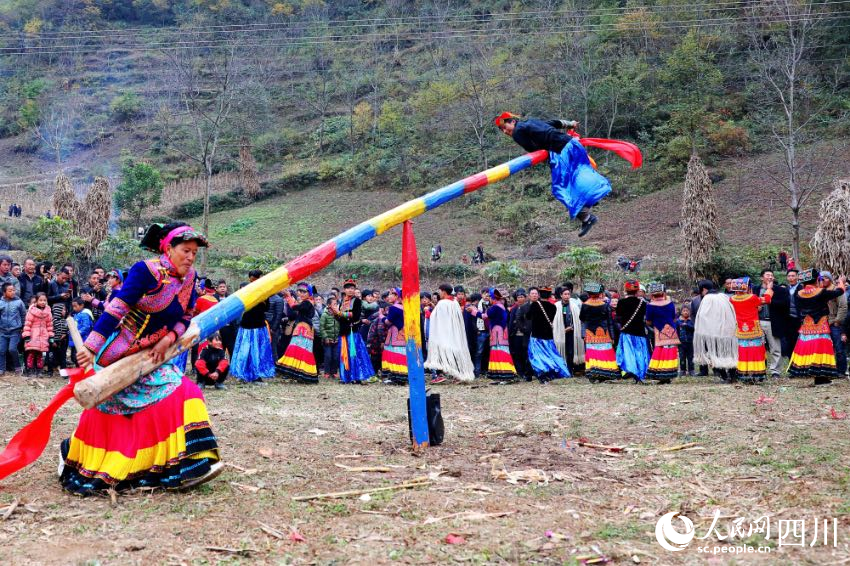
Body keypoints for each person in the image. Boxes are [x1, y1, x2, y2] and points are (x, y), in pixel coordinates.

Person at [64, 222, 221, 494]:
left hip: (154, 356)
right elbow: (117, 308)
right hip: (118, 356)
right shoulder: (145, 271)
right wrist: (90, 348)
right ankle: (75, 453)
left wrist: (169, 337)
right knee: (113, 416)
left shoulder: (190, 278)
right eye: (186, 250)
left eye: (195, 252)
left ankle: (188, 464)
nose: (190, 257)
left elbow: (186, 315)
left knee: (185, 392)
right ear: (168, 249)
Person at [495, 113, 612, 237]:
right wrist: (571, 124)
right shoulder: (532, 121)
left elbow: (533, 148)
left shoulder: (517, 132)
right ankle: (591, 199)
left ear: (513, 121)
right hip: (574, 145)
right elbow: (555, 122)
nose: (504, 131)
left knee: (560, 188)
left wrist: (544, 153)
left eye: (504, 126)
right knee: (577, 177)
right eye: (501, 130)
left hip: (563, 151)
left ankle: (587, 218)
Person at [788, 269, 847, 385]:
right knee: (820, 350)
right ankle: (821, 377)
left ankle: (808, 372)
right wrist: (841, 282)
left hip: (806, 327)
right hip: (820, 326)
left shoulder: (798, 293)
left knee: (808, 349)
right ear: (816, 280)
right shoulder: (821, 292)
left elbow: (798, 308)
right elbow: (839, 291)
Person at [424, 283, 474, 382]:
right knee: (454, 353)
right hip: (453, 333)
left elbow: (435, 317)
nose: (439, 293)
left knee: (440, 352)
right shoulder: (454, 302)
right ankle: (459, 375)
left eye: (439, 291)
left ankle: (439, 376)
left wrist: (427, 311)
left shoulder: (442, 303)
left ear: (443, 291)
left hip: (444, 333)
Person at [231, 271, 275, 384]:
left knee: (254, 351)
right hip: (249, 326)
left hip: (257, 325)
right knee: (247, 351)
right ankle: (246, 374)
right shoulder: (249, 291)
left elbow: (266, 308)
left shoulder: (263, 292)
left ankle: (254, 375)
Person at [729, 277, 773, 383]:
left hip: (741, 330)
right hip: (753, 329)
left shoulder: (732, 299)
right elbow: (767, 299)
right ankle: (756, 374)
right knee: (756, 351)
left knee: (744, 351)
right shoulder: (752, 297)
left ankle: (744, 374)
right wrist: (769, 288)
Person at [331, 278, 375, 384]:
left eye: (352, 288)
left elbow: (355, 316)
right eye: (348, 288)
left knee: (353, 354)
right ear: (344, 290)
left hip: (352, 332)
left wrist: (340, 313)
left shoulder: (357, 301)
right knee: (343, 354)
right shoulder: (341, 302)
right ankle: (346, 377)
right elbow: (339, 318)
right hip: (343, 332)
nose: (350, 290)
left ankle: (357, 376)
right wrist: (335, 313)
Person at [693, 280, 738, 382]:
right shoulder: (724, 297)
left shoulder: (707, 299)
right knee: (729, 353)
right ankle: (733, 376)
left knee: (715, 353)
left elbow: (703, 317)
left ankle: (725, 377)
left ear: (703, 289)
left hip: (713, 333)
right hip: (728, 332)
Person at [525, 286, 570, 382]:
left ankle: (541, 373)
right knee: (550, 354)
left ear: (540, 295)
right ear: (550, 295)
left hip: (537, 335)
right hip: (548, 335)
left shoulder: (534, 305)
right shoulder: (553, 307)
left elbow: (528, 316)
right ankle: (552, 371)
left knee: (536, 355)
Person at [276, 283, 319, 383]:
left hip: (303, 330)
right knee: (300, 350)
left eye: (304, 292)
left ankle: (302, 374)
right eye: (300, 291)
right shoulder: (307, 302)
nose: (301, 293)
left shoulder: (307, 303)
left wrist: (288, 296)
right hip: (303, 329)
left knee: (298, 350)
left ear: (309, 293)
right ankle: (300, 373)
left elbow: (294, 306)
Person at [752, 270, 789, 378]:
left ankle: (775, 371)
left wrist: (770, 301)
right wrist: (755, 307)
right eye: (768, 275)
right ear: (761, 278)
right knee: (758, 347)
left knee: (775, 347)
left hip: (772, 322)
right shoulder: (755, 289)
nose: (770, 277)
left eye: (772, 275)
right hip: (757, 321)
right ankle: (759, 369)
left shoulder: (779, 290)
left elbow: (785, 304)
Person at [580, 283, 620, 381]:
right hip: (604, 333)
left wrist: (583, 334)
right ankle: (606, 373)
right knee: (604, 353)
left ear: (588, 294)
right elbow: (610, 322)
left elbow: (582, 318)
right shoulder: (605, 306)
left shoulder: (585, 305)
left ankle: (594, 373)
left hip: (590, 333)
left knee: (593, 353)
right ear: (600, 294)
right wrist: (612, 336)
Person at [615, 280, 650, 383]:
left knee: (629, 353)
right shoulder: (642, 303)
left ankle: (632, 371)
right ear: (637, 291)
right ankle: (641, 374)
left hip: (627, 332)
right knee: (640, 353)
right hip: (639, 332)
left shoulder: (621, 302)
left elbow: (618, 317)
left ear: (625, 290)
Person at [644, 283, 679, 383]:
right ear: (663, 293)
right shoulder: (670, 303)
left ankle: (661, 374)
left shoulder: (650, 306)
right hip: (671, 331)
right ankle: (668, 375)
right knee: (670, 352)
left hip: (659, 331)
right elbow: (673, 316)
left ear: (652, 295)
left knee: (660, 352)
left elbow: (648, 321)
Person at [480, 289, 517, 380]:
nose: (489, 299)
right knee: (501, 352)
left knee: (499, 352)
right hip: (501, 334)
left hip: (497, 335)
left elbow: (484, 316)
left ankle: (505, 374)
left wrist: (473, 311)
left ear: (493, 298)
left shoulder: (495, 307)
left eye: (490, 297)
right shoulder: (500, 306)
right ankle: (502, 373)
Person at [821, 272, 848, 378]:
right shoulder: (820, 291)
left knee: (839, 348)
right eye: (821, 278)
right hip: (822, 323)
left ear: (830, 279)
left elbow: (843, 306)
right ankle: (829, 369)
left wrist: (838, 320)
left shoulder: (837, 290)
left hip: (834, 323)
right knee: (826, 348)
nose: (823, 280)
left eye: (826, 278)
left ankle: (841, 371)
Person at [553, 285, 585, 375]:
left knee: (570, 352)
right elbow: (554, 322)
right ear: (561, 295)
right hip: (560, 333)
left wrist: (572, 327)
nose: (567, 296)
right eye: (565, 294)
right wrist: (563, 330)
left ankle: (571, 369)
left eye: (568, 294)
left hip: (572, 333)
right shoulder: (556, 306)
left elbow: (578, 321)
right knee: (561, 351)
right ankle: (562, 369)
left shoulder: (574, 306)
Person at [22, 292, 53, 377]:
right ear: (36, 301)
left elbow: (49, 325)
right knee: (31, 354)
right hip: (33, 335)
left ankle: (39, 370)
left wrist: (51, 336)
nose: (43, 302)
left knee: (40, 355)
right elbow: (27, 324)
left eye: (44, 300)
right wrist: (27, 335)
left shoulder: (48, 312)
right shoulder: (31, 311)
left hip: (43, 335)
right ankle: (30, 370)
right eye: (41, 300)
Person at [381, 288, 408, 384]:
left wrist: (382, 317)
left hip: (394, 335)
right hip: (405, 334)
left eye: (391, 294)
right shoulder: (407, 307)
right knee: (403, 354)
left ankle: (395, 377)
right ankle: (403, 377)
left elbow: (388, 322)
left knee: (393, 354)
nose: (389, 296)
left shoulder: (393, 308)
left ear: (397, 296)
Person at [508, 288, 531, 379]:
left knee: (526, 353)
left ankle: (527, 371)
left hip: (526, 335)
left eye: (522, 297)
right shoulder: (514, 309)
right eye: (518, 297)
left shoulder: (528, 308)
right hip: (516, 335)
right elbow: (510, 322)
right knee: (517, 354)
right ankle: (519, 371)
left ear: (525, 298)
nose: (520, 299)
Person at [319, 296, 341, 380]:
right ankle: (327, 372)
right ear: (328, 305)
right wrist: (326, 337)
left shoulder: (338, 314)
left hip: (336, 339)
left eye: (336, 304)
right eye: (334, 304)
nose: (336, 305)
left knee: (335, 356)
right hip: (327, 340)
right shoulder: (324, 315)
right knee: (328, 356)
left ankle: (334, 372)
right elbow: (322, 327)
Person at [69, 297, 94, 366]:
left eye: (75, 306)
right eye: (73, 306)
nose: (74, 308)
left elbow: (86, 327)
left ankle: (82, 372)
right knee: (74, 357)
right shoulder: (76, 314)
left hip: (82, 340)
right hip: (75, 340)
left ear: (82, 305)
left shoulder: (85, 314)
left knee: (79, 357)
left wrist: (77, 333)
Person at [784, 269, 802, 357]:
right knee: (789, 340)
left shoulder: (802, 288)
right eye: (789, 276)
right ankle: (791, 359)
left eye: (793, 276)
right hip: (788, 319)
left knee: (799, 340)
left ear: (797, 277)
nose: (791, 278)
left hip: (799, 318)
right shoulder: (786, 289)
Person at [47, 304, 68, 375]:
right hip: (53, 343)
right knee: (51, 357)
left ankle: (64, 373)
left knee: (63, 358)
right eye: (63, 310)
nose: (65, 311)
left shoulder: (65, 321)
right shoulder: (53, 321)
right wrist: (52, 342)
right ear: (58, 311)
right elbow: (50, 332)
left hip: (62, 342)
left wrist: (65, 334)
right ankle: (50, 371)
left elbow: (67, 330)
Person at [677, 306, 695, 376]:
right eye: (684, 311)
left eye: (687, 311)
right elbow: (677, 331)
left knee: (690, 357)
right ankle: (682, 370)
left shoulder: (691, 321)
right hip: (681, 342)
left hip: (690, 342)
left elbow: (693, 328)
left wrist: (686, 325)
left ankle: (691, 370)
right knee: (682, 357)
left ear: (689, 312)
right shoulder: (678, 321)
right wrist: (677, 340)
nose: (685, 312)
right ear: (681, 312)